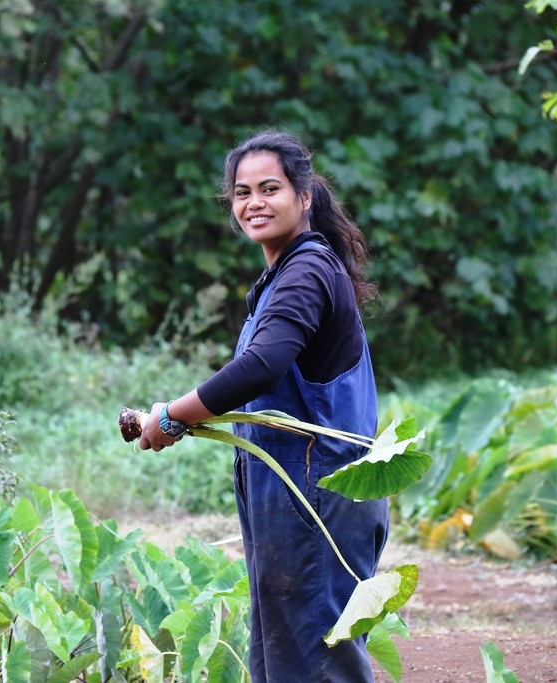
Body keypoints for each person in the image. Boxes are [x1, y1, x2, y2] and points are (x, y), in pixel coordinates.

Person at [137, 129, 388, 682]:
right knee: (287, 654)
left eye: (269, 188)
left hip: (317, 490)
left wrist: (173, 417)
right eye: (242, 192)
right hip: (297, 488)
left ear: (303, 195)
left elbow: (262, 365)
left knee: (319, 656)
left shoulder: (306, 270)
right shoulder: (283, 274)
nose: (254, 203)